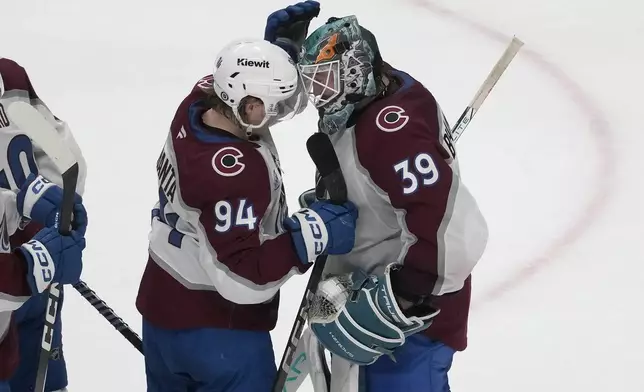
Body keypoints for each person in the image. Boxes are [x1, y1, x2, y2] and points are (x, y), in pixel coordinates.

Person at [134, 34, 358, 391]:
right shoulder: (235, 172)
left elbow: (242, 83)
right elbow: (242, 279)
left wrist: (275, 53)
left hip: (162, 315)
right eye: (274, 103)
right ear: (245, 103)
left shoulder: (196, 104)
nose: (280, 111)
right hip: (220, 334)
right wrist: (312, 234)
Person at [290, 14, 490, 392]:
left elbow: (457, 233)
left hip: (408, 325)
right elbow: (381, 190)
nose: (319, 95)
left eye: (327, 81)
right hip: (367, 298)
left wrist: (402, 297)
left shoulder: (390, 131)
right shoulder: (380, 90)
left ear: (355, 71)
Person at [0, 58, 88, 392]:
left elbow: (64, 160)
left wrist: (35, 201)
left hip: (33, 276)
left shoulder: (10, 79)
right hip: (25, 271)